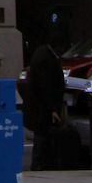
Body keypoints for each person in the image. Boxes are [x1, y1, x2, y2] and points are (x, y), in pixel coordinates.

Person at [22, 41, 73, 171]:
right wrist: (53, 109)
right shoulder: (46, 59)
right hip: (43, 108)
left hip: (40, 107)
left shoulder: (42, 53)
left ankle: (41, 162)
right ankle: (39, 164)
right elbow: (45, 86)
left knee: (42, 136)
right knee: (41, 136)